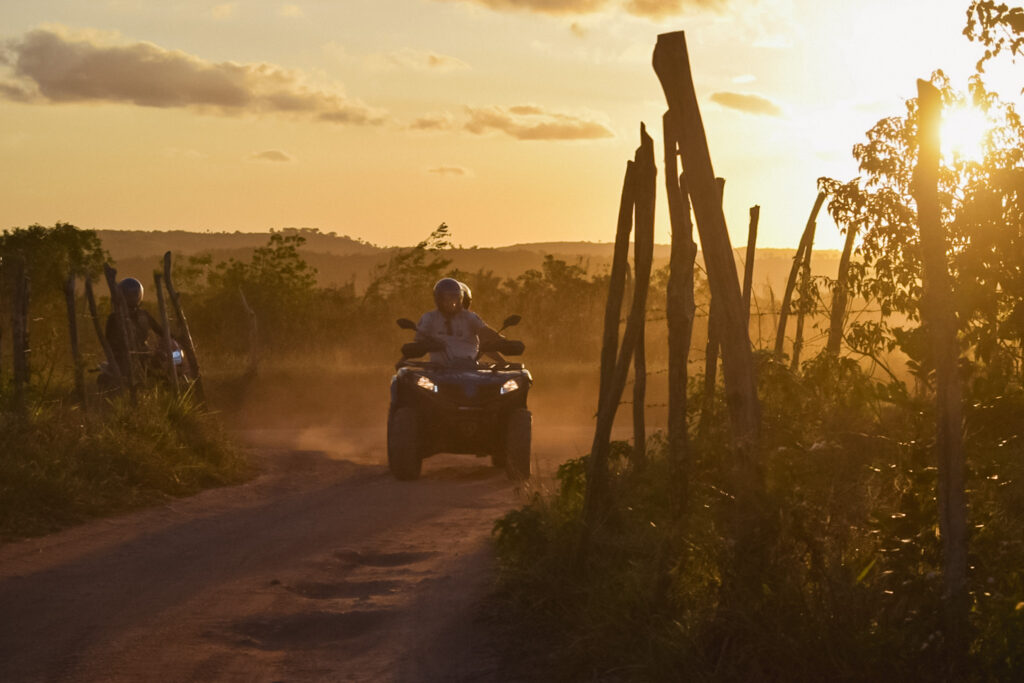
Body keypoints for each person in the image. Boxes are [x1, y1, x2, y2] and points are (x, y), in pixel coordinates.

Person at [416, 278, 503, 364]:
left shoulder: (470, 317)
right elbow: (419, 341)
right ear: (438, 299)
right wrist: (431, 343)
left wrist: (503, 341)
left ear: (460, 299)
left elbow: (485, 333)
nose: (450, 303)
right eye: (445, 299)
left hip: (468, 368)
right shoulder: (429, 317)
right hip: (439, 370)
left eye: (454, 298)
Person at [104, 277, 167, 378]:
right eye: (129, 295)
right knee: (126, 376)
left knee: (162, 368)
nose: (132, 297)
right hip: (123, 356)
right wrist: (120, 349)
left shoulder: (143, 315)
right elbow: (108, 340)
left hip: (144, 352)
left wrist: (174, 338)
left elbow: (159, 330)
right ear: (122, 296)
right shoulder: (115, 317)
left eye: (135, 294)